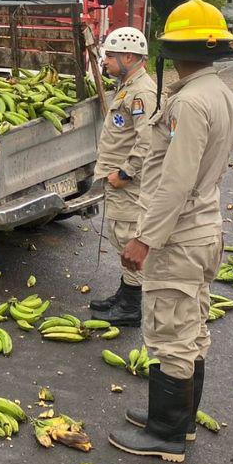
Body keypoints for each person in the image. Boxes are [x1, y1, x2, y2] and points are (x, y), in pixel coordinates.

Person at [108, 0, 233, 463]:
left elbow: (175, 181)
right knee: (191, 325)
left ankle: (166, 434)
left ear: (172, 49)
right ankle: (176, 423)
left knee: (171, 333)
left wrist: (144, 239)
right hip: (203, 228)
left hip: (180, 235)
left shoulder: (189, 101)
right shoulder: (219, 93)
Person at [89, 26, 157, 327]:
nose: (106, 61)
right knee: (120, 237)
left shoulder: (141, 92)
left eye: (111, 56)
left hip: (128, 183)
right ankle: (125, 292)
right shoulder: (128, 85)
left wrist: (126, 173)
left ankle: (131, 306)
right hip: (119, 179)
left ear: (128, 56)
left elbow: (148, 140)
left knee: (128, 238)